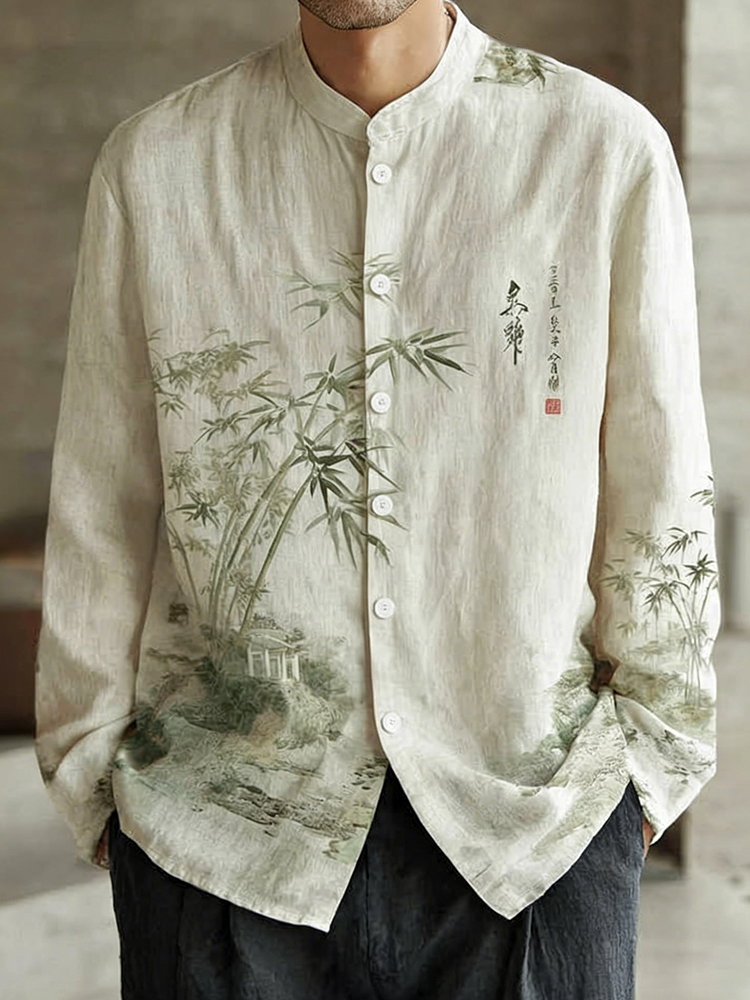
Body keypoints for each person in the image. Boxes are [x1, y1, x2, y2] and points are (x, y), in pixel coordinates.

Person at [35, 0, 720, 997]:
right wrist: (97, 778)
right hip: (221, 843)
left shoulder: (600, 149)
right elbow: (102, 492)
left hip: (534, 840)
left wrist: (646, 777)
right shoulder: (159, 164)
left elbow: (659, 482)